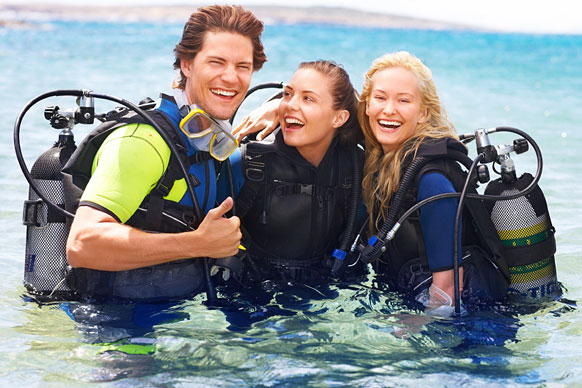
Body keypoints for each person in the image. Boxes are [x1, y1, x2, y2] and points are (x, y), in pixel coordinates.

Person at [62, 5, 267, 302]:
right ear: (186, 64)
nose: (231, 78)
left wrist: (277, 106)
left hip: (169, 317)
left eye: (242, 66)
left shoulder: (203, 137)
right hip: (112, 326)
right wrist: (197, 244)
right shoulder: (143, 141)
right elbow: (83, 245)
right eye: (216, 62)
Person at [357, 51, 509, 313]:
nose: (389, 109)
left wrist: (419, 325)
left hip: (475, 318)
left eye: (404, 100)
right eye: (380, 97)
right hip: (424, 300)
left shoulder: (432, 179)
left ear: (423, 113)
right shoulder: (382, 161)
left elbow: (450, 287)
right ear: (367, 105)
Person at [220, 60, 365, 284]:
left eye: (308, 98)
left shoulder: (356, 169)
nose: (290, 105)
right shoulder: (247, 163)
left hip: (325, 293)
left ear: (339, 118)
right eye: (287, 94)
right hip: (251, 296)